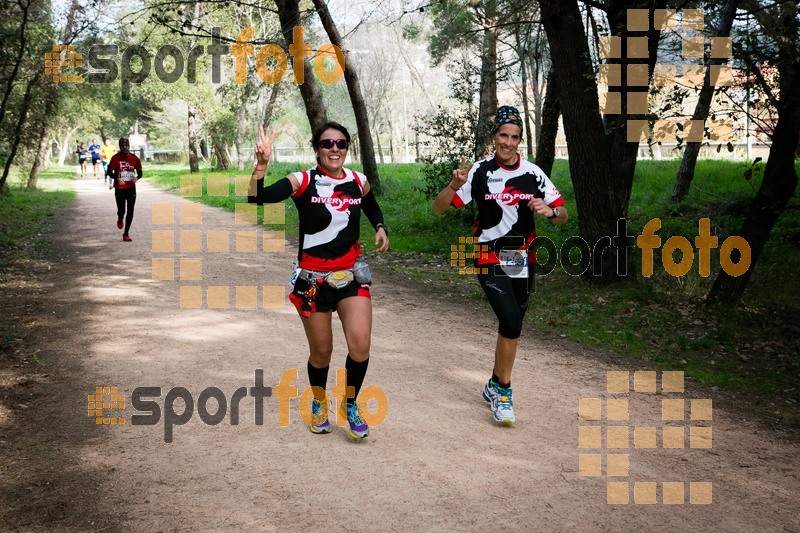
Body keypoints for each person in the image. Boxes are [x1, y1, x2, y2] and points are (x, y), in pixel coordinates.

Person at [247, 123, 389, 439]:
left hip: (351, 274)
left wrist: (379, 225)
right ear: (317, 149)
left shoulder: (357, 181)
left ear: (347, 147)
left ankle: (350, 404)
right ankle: (320, 401)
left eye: (340, 143)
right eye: (327, 144)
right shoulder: (303, 180)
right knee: (322, 352)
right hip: (312, 280)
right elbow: (259, 198)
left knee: (360, 344)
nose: (334, 149)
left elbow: (370, 203)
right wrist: (260, 166)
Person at [432, 105, 568, 425]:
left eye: (514, 137)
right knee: (510, 321)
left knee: (513, 326)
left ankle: (494, 382)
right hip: (489, 256)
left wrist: (549, 212)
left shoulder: (533, 173)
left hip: (522, 257)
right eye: (503, 135)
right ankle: (504, 392)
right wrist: (453, 185)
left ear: (520, 140)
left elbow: (563, 214)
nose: (508, 142)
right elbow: (439, 208)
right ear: (495, 137)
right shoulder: (478, 172)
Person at [106, 138, 142, 242]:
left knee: (130, 209)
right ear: (120, 147)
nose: (125, 147)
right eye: (122, 146)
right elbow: (109, 172)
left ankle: (126, 233)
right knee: (122, 210)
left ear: (129, 146)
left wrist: (137, 178)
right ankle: (120, 217)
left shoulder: (134, 158)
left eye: (126, 145)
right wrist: (117, 178)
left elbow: (140, 173)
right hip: (119, 188)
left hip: (131, 188)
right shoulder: (115, 158)